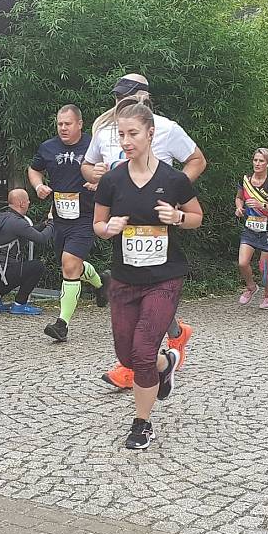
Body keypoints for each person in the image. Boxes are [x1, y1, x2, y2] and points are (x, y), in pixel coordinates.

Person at [82, 74, 206, 389]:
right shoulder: (106, 129)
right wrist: (96, 175)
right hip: (121, 220)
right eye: (116, 95)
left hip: (157, 224)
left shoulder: (166, 128)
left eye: (126, 94)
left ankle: (138, 366)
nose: (119, 100)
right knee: (134, 295)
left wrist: (173, 194)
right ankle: (166, 342)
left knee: (155, 289)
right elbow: (87, 165)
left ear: (144, 96)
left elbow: (196, 160)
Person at [93, 98, 203, 449]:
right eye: (121, 135)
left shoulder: (173, 180)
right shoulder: (112, 180)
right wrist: (107, 228)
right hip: (125, 278)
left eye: (133, 134)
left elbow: (197, 217)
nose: (126, 141)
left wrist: (178, 218)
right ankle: (165, 363)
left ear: (151, 134)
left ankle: (141, 423)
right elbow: (97, 224)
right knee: (128, 356)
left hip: (164, 278)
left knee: (140, 351)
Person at [28, 105, 110, 342]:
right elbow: (34, 170)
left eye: (68, 123)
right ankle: (101, 282)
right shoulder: (48, 147)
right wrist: (38, 186)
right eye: (60, 124)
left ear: (80, 124)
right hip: (61, 218)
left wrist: (99, 183)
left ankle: (62, 324)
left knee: (69, 263)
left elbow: (114, 171)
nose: (63, 128)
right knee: (71, 266)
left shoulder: (94, 145)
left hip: (87, 216)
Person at [0, 188, 53, 315]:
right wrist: (52, 223)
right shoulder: (17, 222)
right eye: (28, 200)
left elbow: (30, 231)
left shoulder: (3, 217)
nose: (29, 203)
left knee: (16, 268)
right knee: (37, 266)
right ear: (22, 203)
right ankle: (20, 304)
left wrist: (45, 224)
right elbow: (42, 239)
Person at [235, 148, 268, 309]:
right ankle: (251, 287)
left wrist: (261, 204)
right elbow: (238, 197)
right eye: (255, 160)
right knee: (242, 262)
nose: (257, 163)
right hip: (250, 228)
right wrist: (239, 208)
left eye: (261, 161)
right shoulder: (246, 180)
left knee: (264, 267)